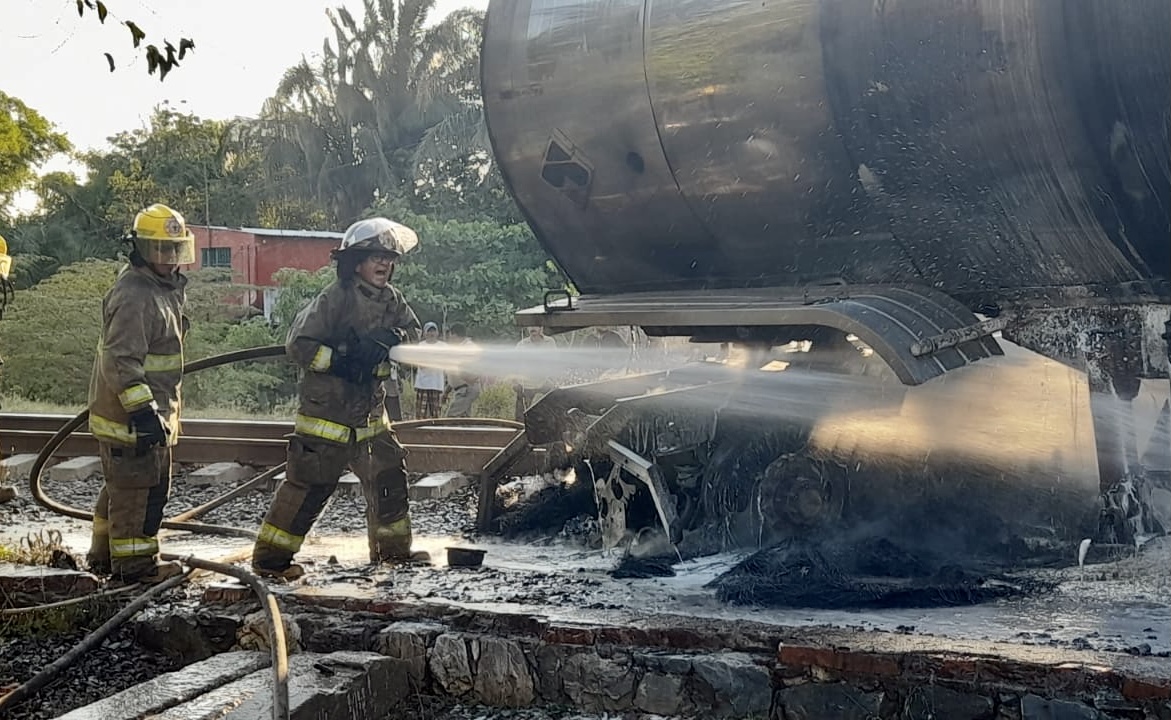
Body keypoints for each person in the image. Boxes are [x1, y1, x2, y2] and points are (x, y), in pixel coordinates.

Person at [251, 217, 428, 581]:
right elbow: (298, 345)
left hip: (370, 418)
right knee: (307, 490)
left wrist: (393, 336)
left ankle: (392, 554)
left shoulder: (392, 300)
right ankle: (270, 563)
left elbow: (414, 334)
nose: (385, 264)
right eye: (376, 256)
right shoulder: (335, 299)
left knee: (389, 478)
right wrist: (343, 362)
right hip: (326, 418)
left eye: (389, 258)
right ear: (355, 263)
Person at [85, 203, 194, 585]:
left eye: (174, 248)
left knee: (122, 488)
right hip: (131, 420)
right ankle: (134, 569)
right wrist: (144, 412)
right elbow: (121, 362)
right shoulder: (135, 295)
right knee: (138, 493)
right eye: (159, 249)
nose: (168, 257)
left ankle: (102, 555)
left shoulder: (163, 288)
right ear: (140, 249)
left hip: (152, 415)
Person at [514, 326, 558, 421]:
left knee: (554, 407)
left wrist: (554, 379)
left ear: (541, 327)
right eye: (530, 326)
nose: (532, 329)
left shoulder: (550, 342)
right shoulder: (521, 345)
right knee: (521, 416)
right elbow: (514, 365)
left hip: (545, 381)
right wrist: (515, 381)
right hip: (526, 384)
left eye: (535, 326)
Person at [443, 323, 481, 418]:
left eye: (450, 336)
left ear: (454, 335)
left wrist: (470, 378)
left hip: (466, 389)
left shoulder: (468, 347)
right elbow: (454, 374)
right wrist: (446, 391)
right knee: (464, 420)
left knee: (451, 417)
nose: (449, 339)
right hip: (462, 388)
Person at [413, 322, 446, 419]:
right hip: (422, 384)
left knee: (435, 413)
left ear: (437, 333)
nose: (431, 334)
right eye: (429, 331)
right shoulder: (420, 346)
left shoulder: (443, 346)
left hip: (437, 384)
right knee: (420, 412)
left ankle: (435, 432)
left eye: (433, 331)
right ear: (424, 333)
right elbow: (420, 364)